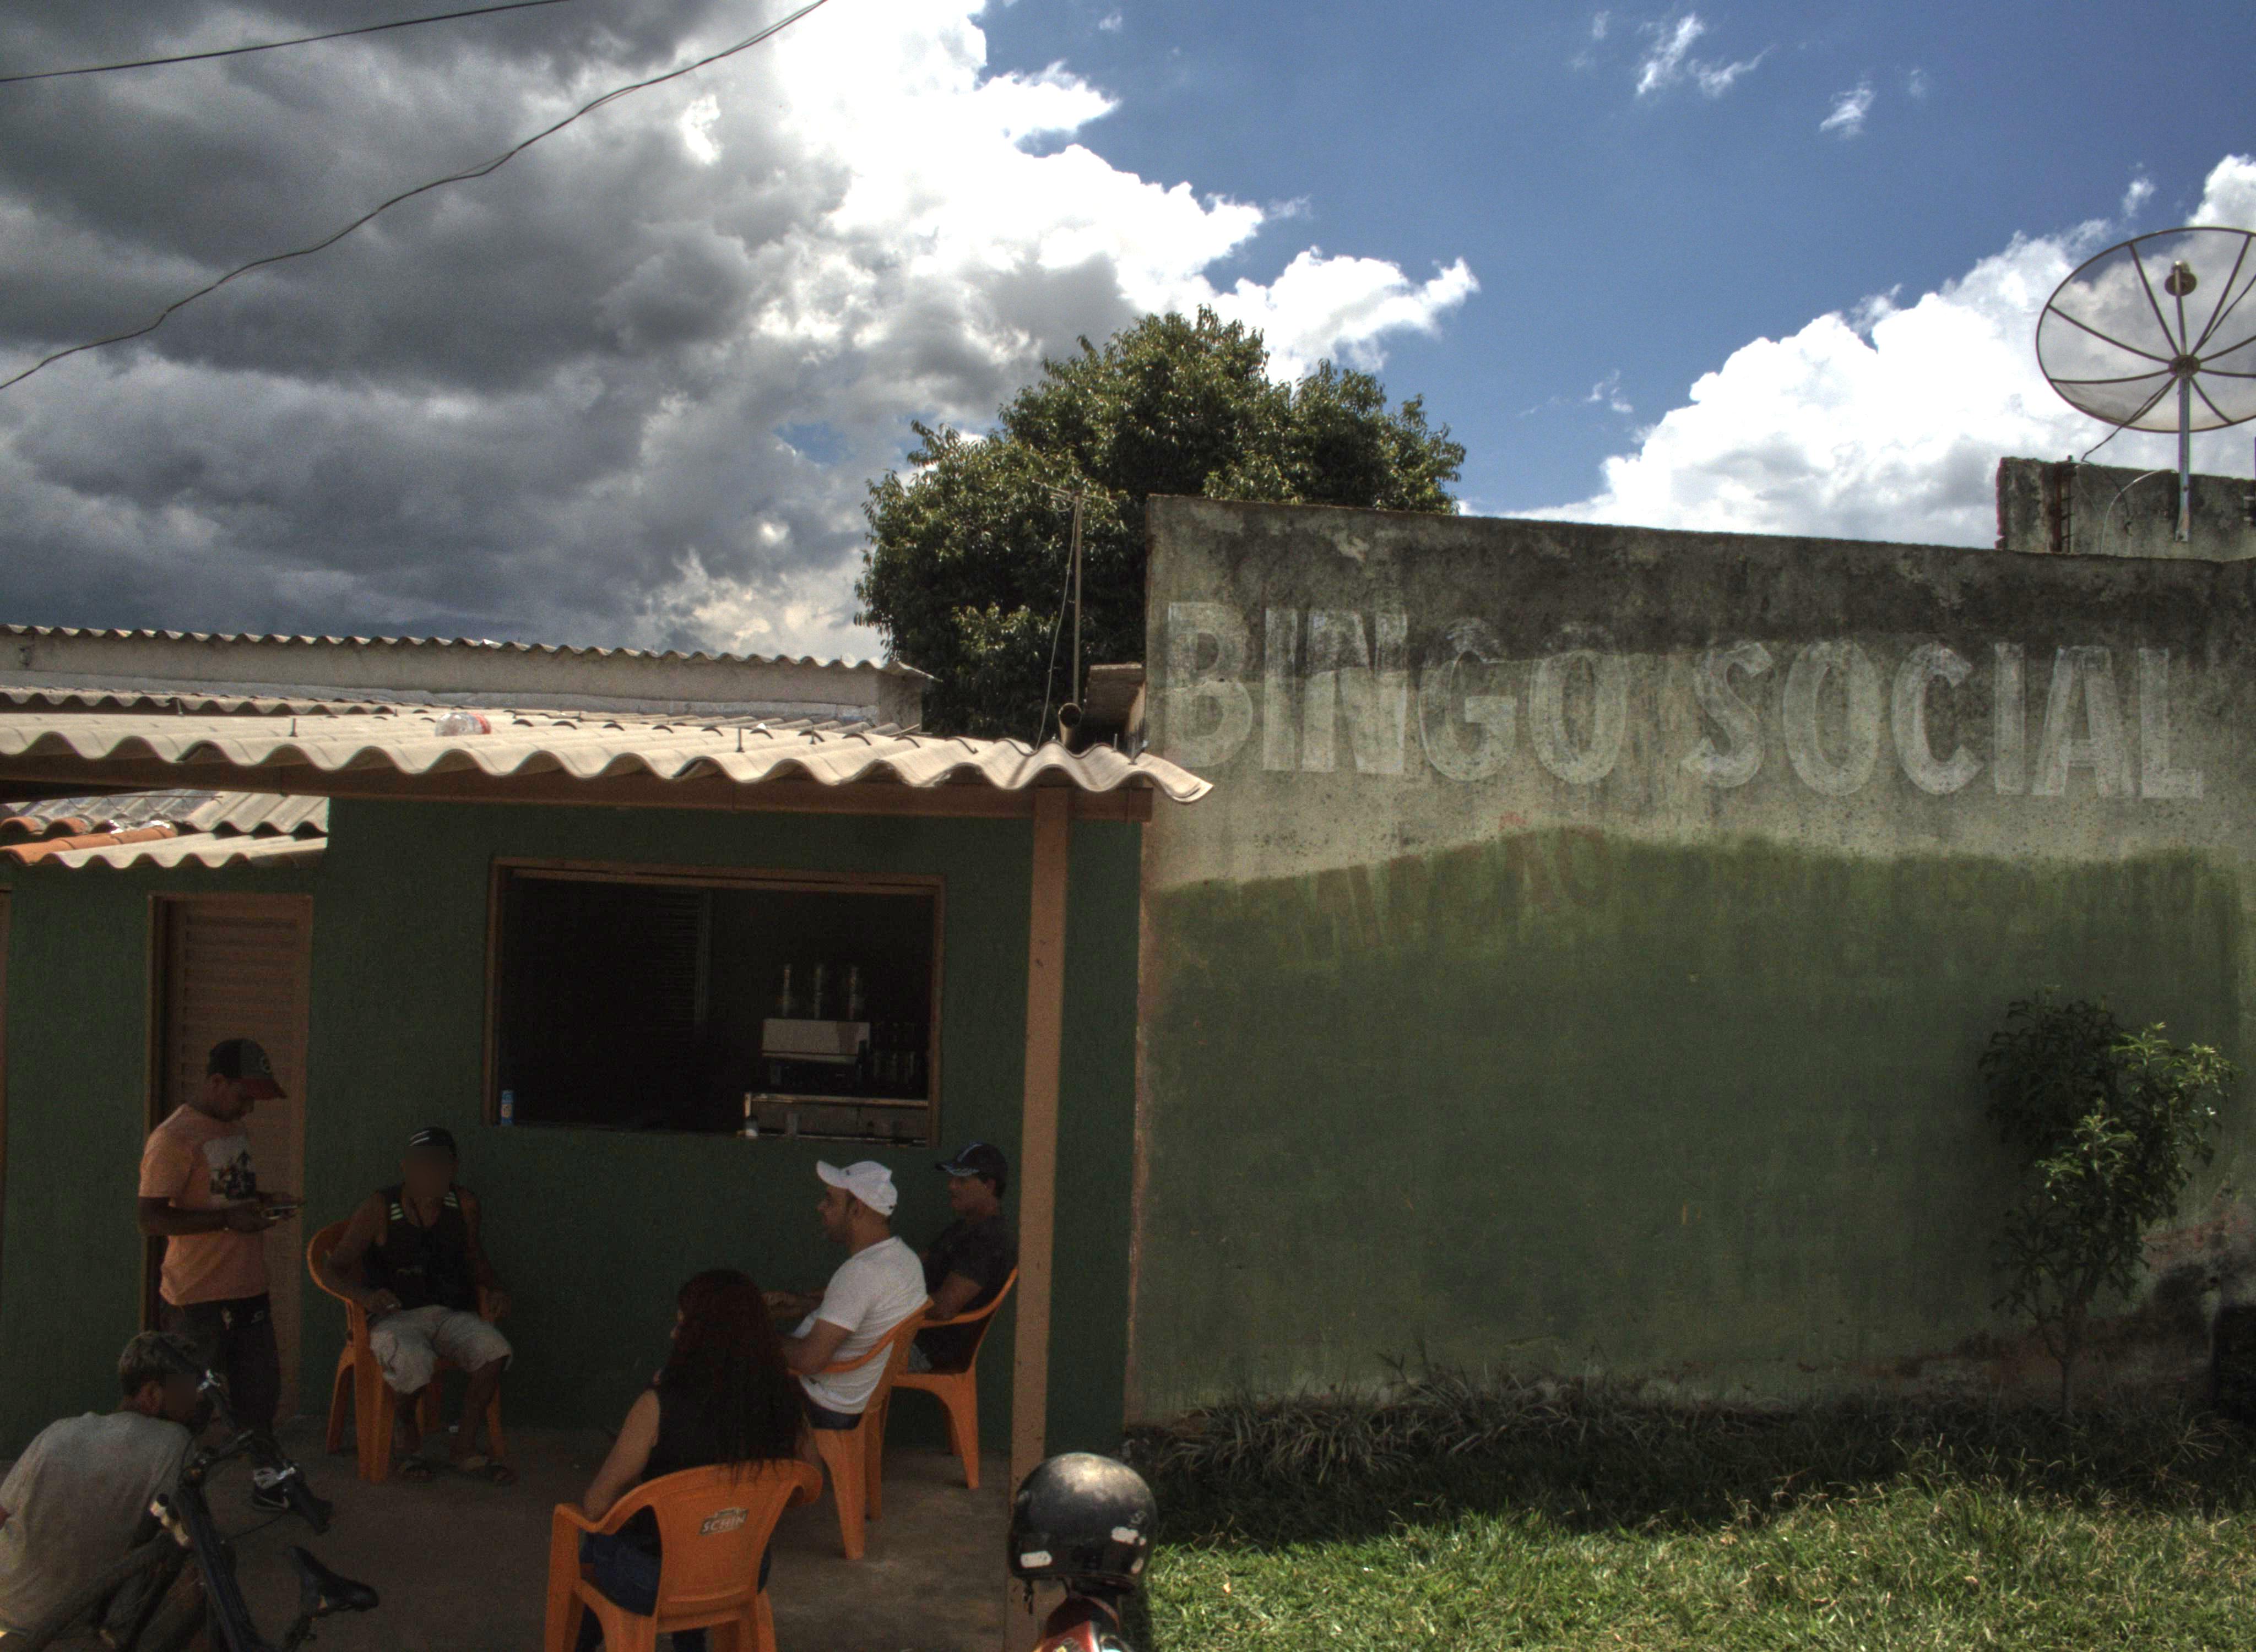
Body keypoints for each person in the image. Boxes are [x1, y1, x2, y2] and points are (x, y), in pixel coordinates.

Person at [573, 1270, 804, 1652]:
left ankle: (580, 1645)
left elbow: (596, 1504)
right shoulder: (788, 1399)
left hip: (655, 1582)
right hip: (744, 1572)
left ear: (704, 1337)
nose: (672, 1335)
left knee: (599, 1535)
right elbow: (804, 1488)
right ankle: (690, 1640)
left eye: (682, 1326)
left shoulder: (658, 1405)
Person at [135, 1036, 298, 1510]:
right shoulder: (173, 1138)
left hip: (248, 1286)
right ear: (216, 1082)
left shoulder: (233, 1128)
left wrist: (261, 1202)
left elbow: (223, 1194)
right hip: (196, 1296)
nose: (249, 1107)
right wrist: (228, 1220)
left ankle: (268, 1478)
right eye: (243, 1095)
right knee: (189, 1400)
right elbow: (151, 1218)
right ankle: (167, 1495)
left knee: (258, 1391)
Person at [318, 1126, 516, 1484]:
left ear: (453, 1169)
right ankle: (408, 1435)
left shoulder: (464, 1204)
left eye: (440, 1165)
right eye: (422, 1164)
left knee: (495, 1352)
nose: (431, 1173)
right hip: (394, 1318)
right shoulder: (381, 1207)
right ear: (406, 1168)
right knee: (412, 1360)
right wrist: (365, 1297)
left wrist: (496, 1289)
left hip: (450, 1313)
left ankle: (464, 1447)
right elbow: (332, 1269)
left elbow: (475, 1257)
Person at [0, 1332, 208, 1639]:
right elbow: (187, 1551)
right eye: (191, 1391)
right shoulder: (176, 1443)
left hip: (10, 1609)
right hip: (91, 1626)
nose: (198, 1401)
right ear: (152, 1394)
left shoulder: (59, 1432)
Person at [765, 1162, 928, 1431]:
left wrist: (754, 1334)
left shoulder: (861, 1272)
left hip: (820, 1402)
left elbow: (809, 1360)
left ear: (857, 1209)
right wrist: (802, 1304)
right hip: (850, 1400)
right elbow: (858, 1312)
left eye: (830, 1200)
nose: (820, 1207)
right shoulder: (903, 1258)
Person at [910, 1142, 1018, 1374]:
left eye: (962, 1180)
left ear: (989, 1185)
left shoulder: (989, 1239)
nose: (951, 1186)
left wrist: (885, 1309)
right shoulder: (963, 1228)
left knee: (834, 1356)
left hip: (928, 1349)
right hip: (906, 1335)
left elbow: (944, 1308)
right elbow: (911, 1267)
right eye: (951, 1178)